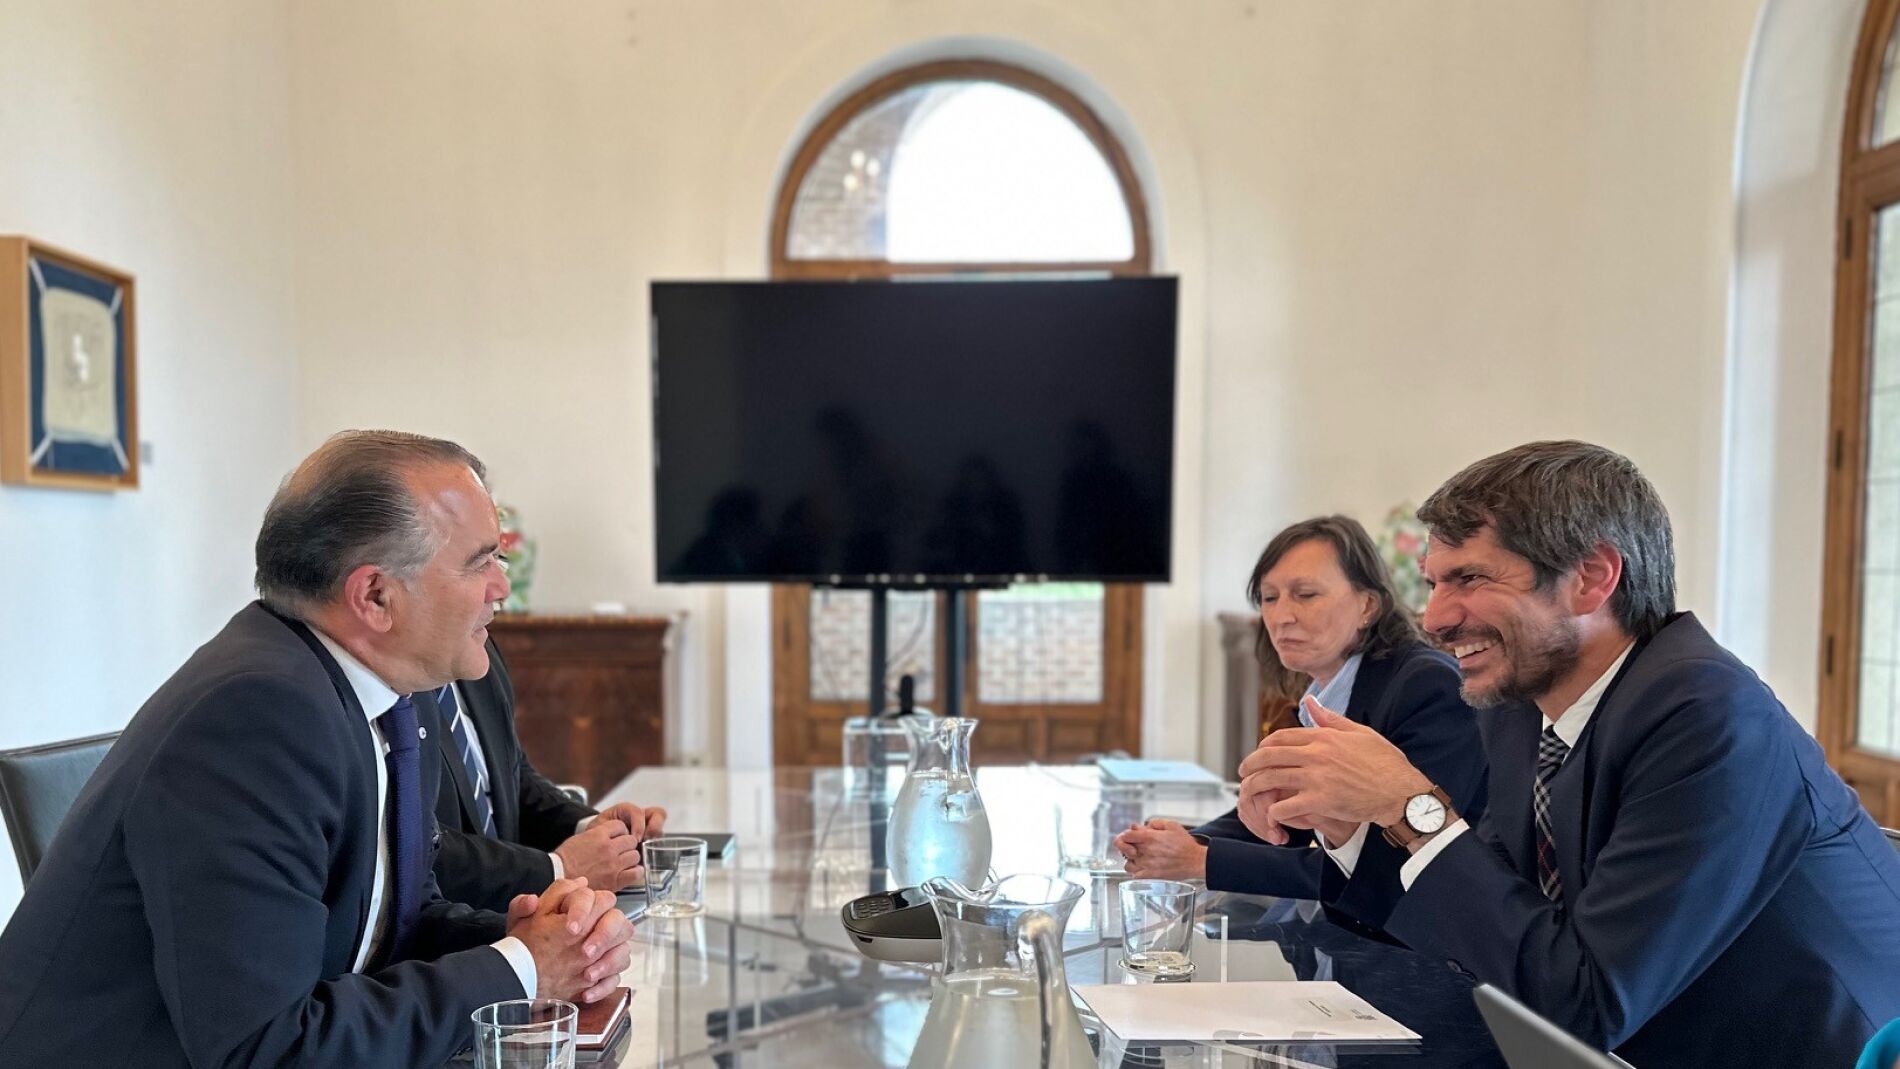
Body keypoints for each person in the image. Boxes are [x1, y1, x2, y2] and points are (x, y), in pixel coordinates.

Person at [1237, 440, 1900, 1068]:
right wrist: (1350, 823)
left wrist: (1410, 806)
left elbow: (1586, 1002)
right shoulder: (1521, 710)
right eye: (1433, 583)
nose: (1434, 618)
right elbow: (1497, 914)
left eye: (1469, 577)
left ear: (1591, 578)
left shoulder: (1707, 714)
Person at [0, 431, 634, 1067]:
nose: (501, 586)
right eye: (480, 562)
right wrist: (521, 970)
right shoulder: (257, 716)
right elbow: (269, 1048)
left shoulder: (378, 690)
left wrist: (532, 940)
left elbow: (394, 918)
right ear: (375, 597)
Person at [1113, 515, 1486, 937]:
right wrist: (1185, 841)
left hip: (1418, 941)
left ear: (1368, 605)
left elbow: (1387, 865)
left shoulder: (1426, 685)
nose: (1281, 616)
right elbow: (1278, 819)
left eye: (1305, 595)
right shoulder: (1325, 692)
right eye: (1269, 598)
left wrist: (1201, 861)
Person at [427, 641, 668, 913]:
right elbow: (419, 848)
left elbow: (515, 778)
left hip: (511, 918)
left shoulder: (480, 647)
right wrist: (558, 868)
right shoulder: (404, 682)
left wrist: (589, 828)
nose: (499, 601)